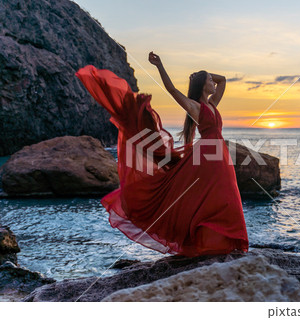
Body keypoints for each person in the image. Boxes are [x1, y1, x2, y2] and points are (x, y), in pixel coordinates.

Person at [75, 51, 249, 257]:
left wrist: (203, 75)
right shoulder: (195, 107)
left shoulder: (212, 104)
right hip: (208, 159)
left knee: (226, 197)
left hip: (219, 157)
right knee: (213, 198)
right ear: (204, 85)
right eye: (209, 80)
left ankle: (225, 243)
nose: (214, 83)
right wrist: (160, 66)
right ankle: (208, 245)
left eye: (211, 80)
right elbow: (171, 89)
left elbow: (224, 80)